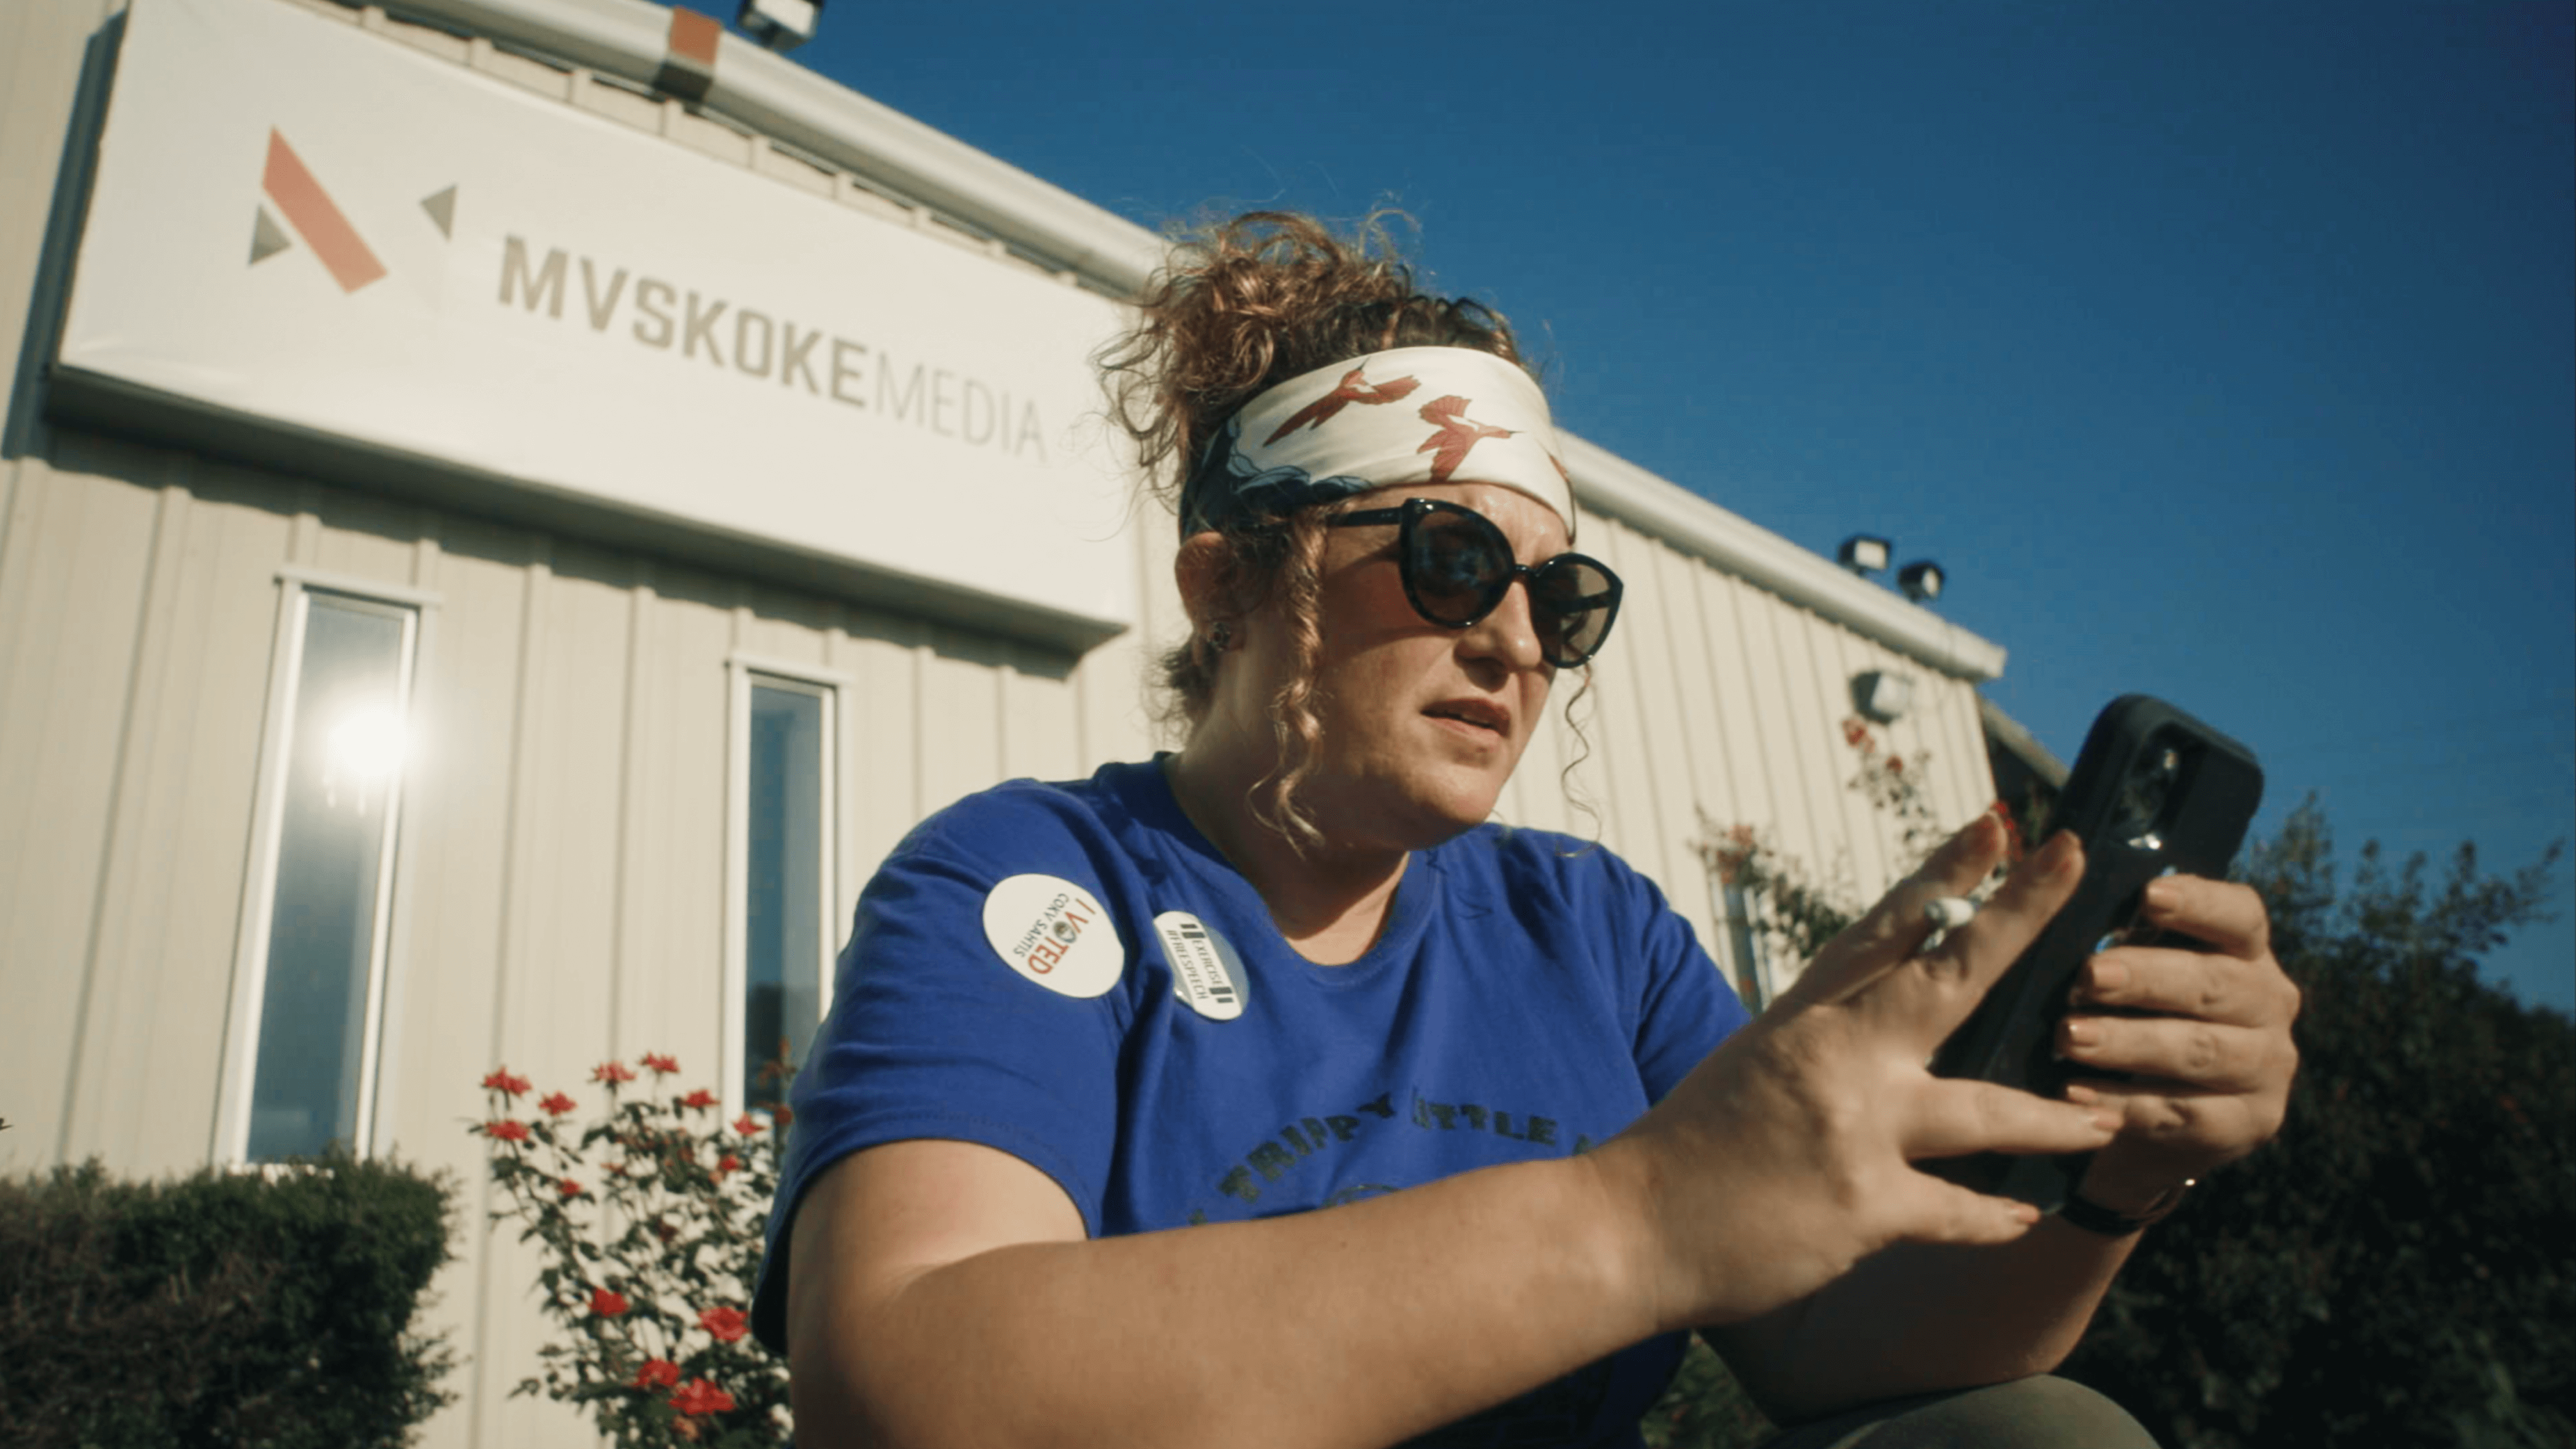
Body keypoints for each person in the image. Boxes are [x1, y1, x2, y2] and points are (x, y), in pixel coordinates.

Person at [751, 213, 2301, 1449]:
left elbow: (1835, 1346)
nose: (1514, 641)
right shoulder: (1024, 876)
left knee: (2035, 1434)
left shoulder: (1589, 929)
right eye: (1443, 559)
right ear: (1225, 589)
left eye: (1559, 598)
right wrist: (1638, 1218)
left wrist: (2111, 1179)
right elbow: (904, 1389)